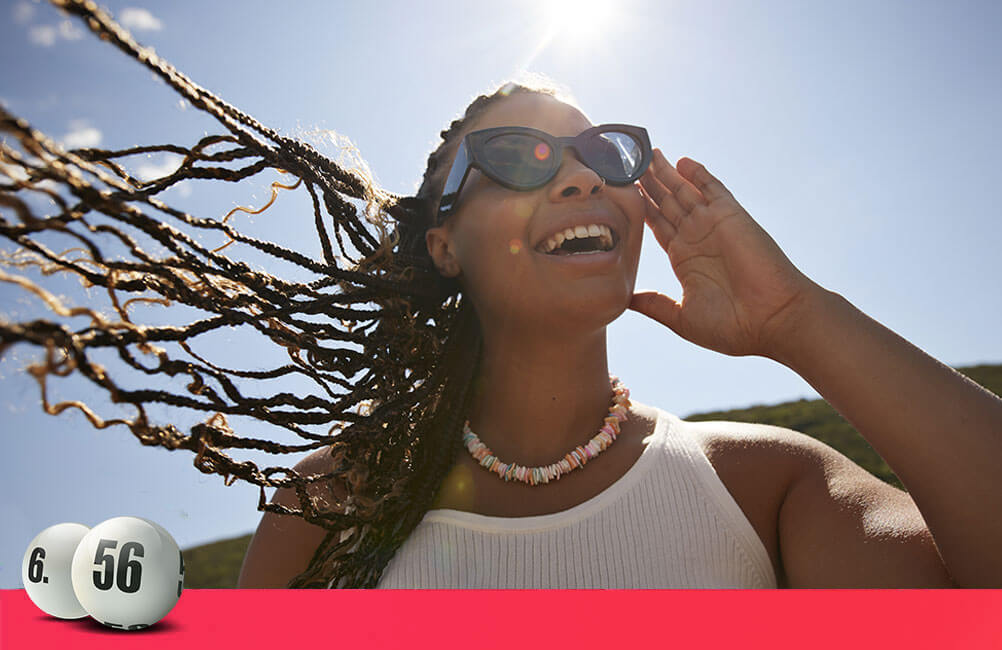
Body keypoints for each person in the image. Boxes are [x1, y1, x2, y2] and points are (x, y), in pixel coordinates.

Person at [235, 81, 1002, 589]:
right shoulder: (333, 501)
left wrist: (799, 319)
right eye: (516, 158)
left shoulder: (763, 489)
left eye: (605, 153)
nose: (581, 179)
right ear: (443, 245)